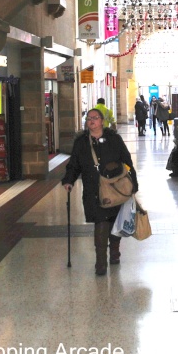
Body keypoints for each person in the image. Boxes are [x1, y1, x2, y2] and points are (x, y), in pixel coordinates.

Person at [62, 109, 139, 276]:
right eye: (89, 118)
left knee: (114, 221)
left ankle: (115, 252)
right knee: (101, 222)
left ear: (102, 121)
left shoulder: (114, 139)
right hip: (93, 190)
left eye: (95, 118)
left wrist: (133, 182)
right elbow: (74, 164)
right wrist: (69, 180)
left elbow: (126, 160)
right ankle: (101, 262)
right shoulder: (81, 142)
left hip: (115, 188)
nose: (91, 121)